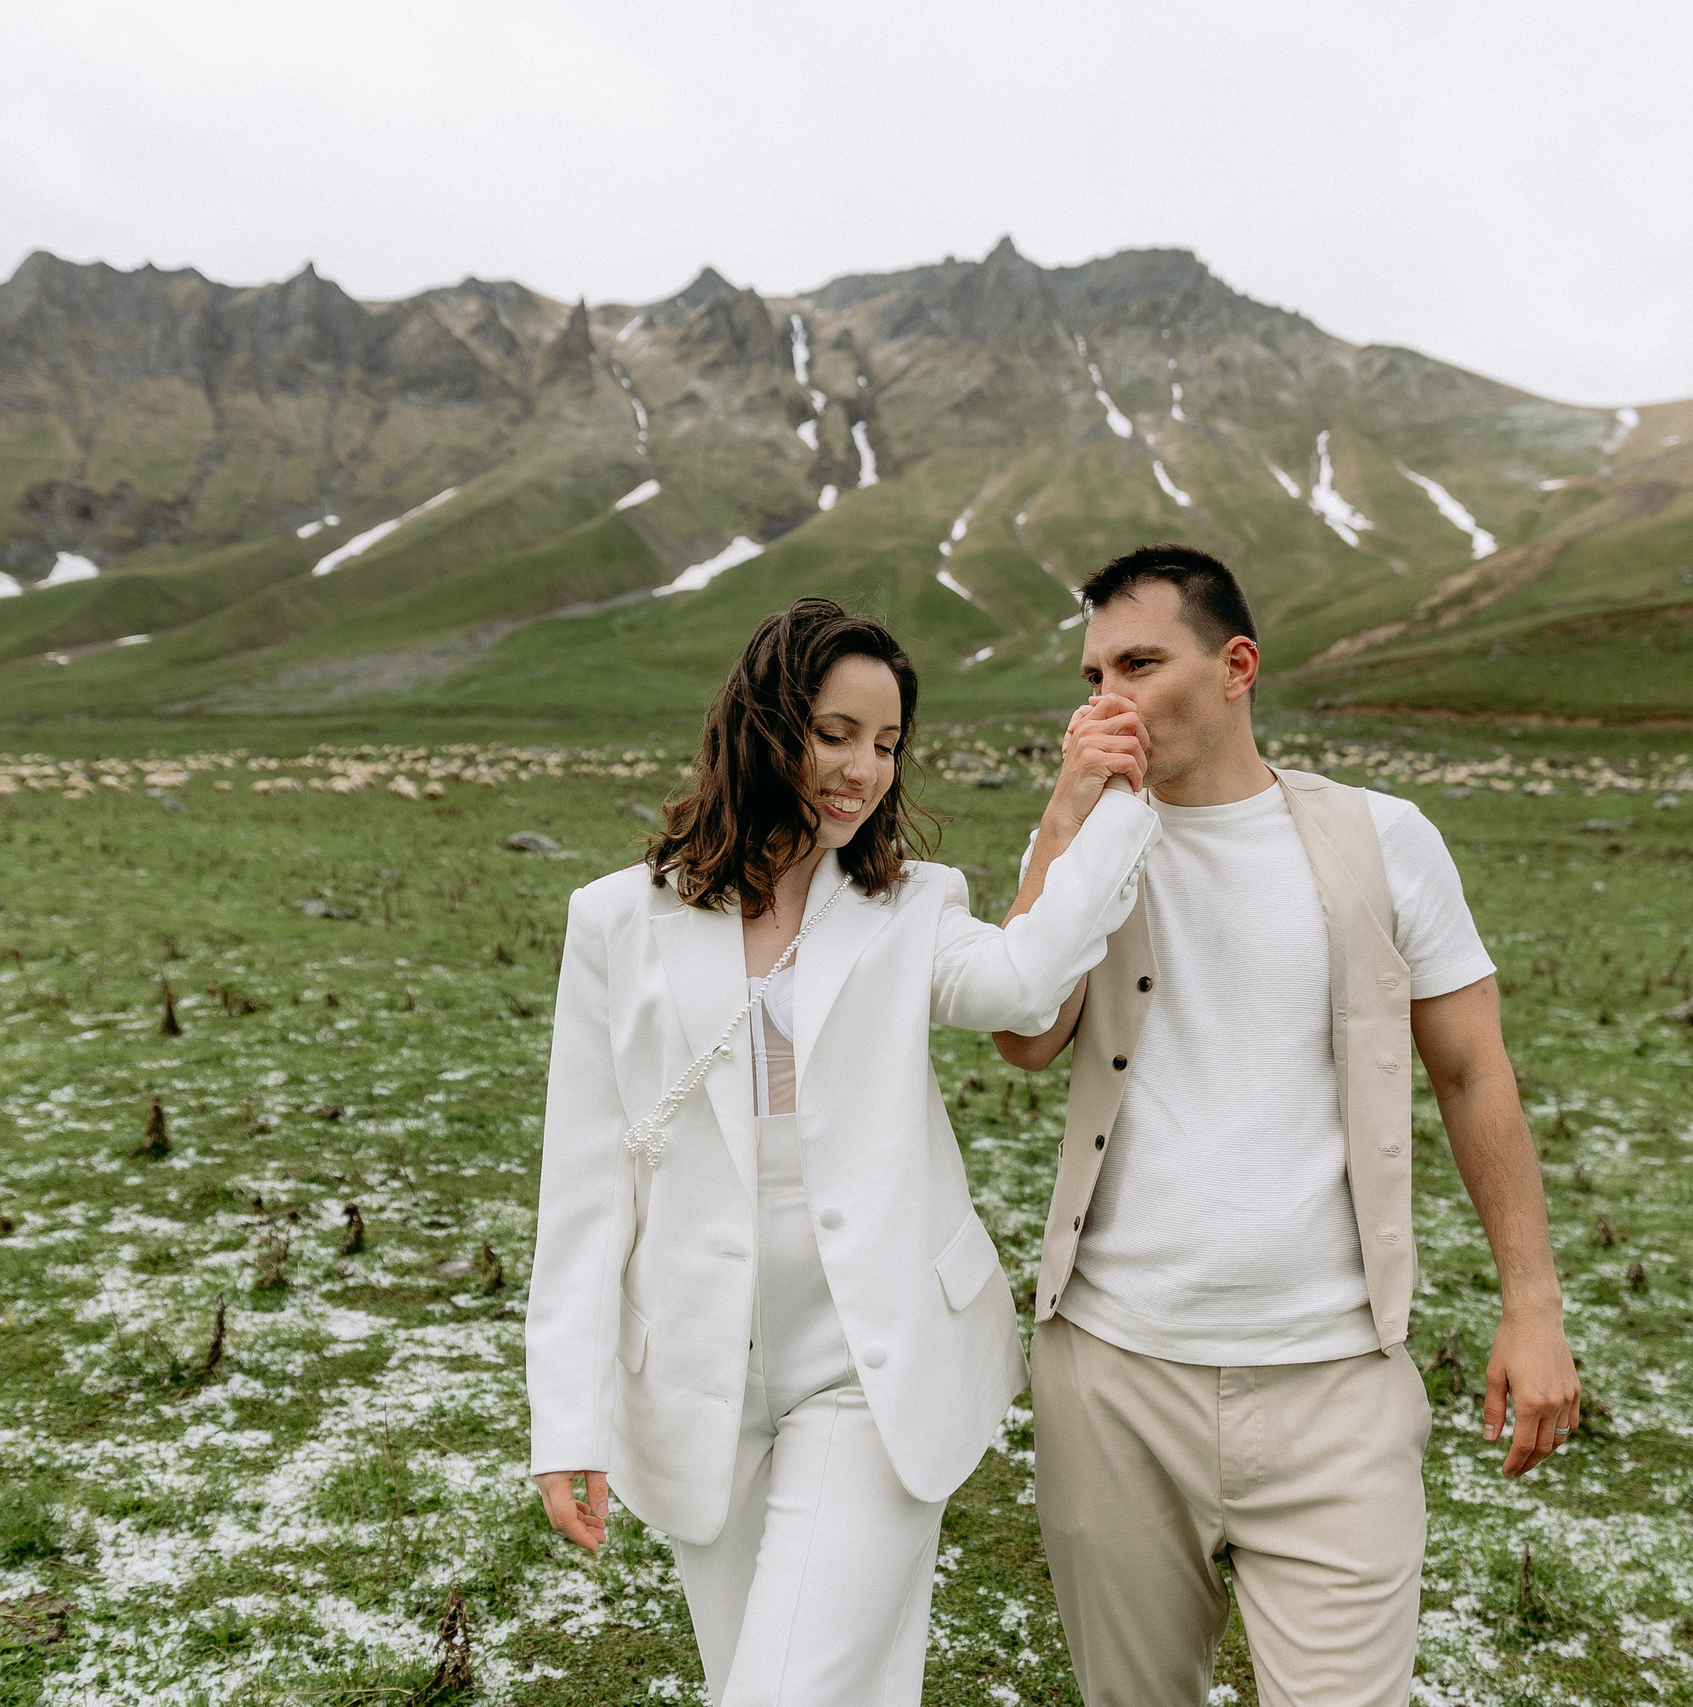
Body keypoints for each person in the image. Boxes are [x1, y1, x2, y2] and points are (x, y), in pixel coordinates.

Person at [524, 596, 1161, 1706]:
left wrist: (1105, 806)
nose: (861, 770)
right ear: (761, 725)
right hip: (694, 1378)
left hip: (874, 1367)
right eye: (833, 734)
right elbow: (585, 1185)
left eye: (886, 744)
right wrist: (566, 1418)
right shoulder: (615, 922)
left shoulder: (910, 905)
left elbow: (1020, 982)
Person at [995, 545, 1581, 1707]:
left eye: (1140, 663)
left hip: (1335, 1381)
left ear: (1236, 667)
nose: (1106, 699)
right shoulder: (1086, 844)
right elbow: (1022, 1033)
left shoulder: (1384, 838)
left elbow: (1472, 1073)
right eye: (1092, 673)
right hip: (1112, 1373)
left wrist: (1533, 1307)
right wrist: (1067, 813)